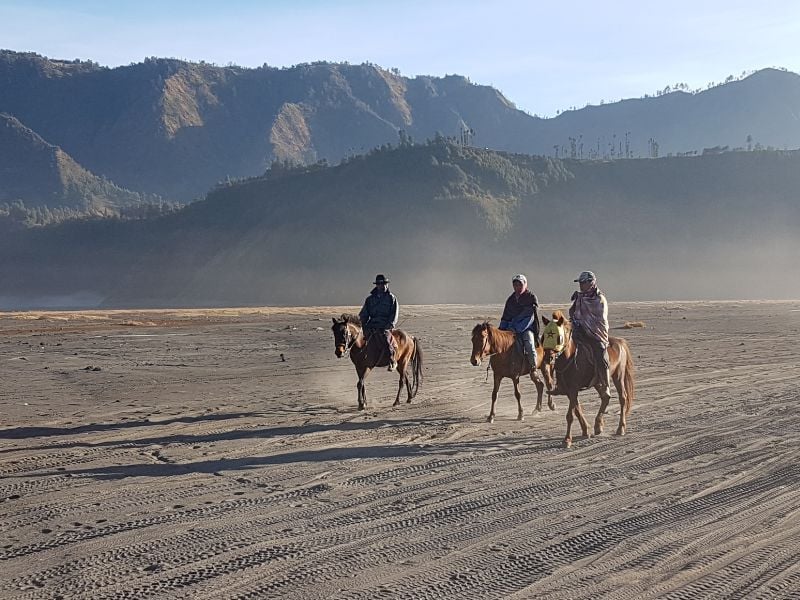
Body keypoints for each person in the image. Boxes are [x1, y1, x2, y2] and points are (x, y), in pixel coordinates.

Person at [569, 270, 612, 401]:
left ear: (591, 283)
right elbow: (573, 312)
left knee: (600, 353)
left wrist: (582, 323)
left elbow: (597, 318)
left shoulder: (599, 299)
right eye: (580, 283)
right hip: (578, 331)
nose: (581, 285)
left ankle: (605, 384)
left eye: (584, 283)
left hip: (595, 333)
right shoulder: (579, 297)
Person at [498, 274, 540, 369]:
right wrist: (500, 330)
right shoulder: (510, 300)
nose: (518, 287)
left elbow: (530, 318)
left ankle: (533, 368)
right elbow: (505, 317)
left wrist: (517, 329)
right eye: (515, 285)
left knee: (529, 345)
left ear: (525, 284)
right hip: (510, 328)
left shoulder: (531, 298)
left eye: (520, 285)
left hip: (526, 328)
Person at [359, 274, 399, 371]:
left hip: (384, 325)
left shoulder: (391, 298)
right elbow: (364, 313)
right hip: (372, 325)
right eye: (380, 284)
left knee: (386, 341)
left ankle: (392, 361)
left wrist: (389, 325)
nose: (383, 286)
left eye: (385, 284)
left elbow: (394, 313)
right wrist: (363, 323)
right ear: (377, 285)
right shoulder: (370, 299)